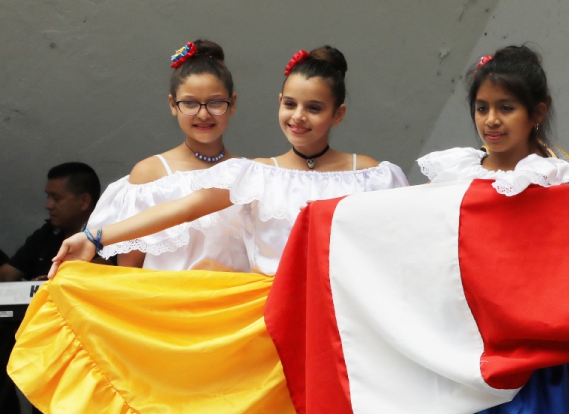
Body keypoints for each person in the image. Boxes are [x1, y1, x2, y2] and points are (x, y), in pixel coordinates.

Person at [377, 46, 569, 414]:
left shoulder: (557, 178)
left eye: (506, 108)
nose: (491, 120)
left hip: (530, 359)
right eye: (482, 107)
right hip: (459, 355)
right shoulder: (449, 174)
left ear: (537, 112)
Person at [53, 45, 408, 278]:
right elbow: (186, 208)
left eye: (314, 108)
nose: (298, 117)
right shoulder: (257, 172)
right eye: (290, 104)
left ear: (338, 113)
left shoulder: (371, 173)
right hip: (269, 313)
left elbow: (398, 240)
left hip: (345, 313)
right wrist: (96, 237)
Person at [84, 39, 250, 272]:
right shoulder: (151, 173)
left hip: (236, 304)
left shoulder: (250, 172)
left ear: (232, 103)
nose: (203, 114)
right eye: (190, 103)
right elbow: (130, 268)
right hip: (165, 304)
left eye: (215, 103)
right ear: (173, 104)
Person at [1, 162, 100, 281]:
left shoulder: (110, 239)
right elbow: (6, 276)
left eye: (57, 199)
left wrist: (57, 281)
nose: (48, 205)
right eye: (48, 197)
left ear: (84, 201)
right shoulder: (46, 234)